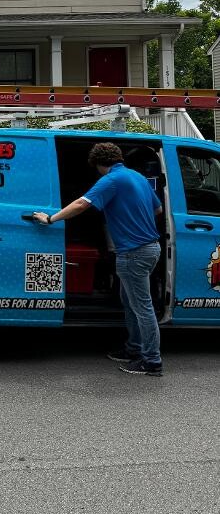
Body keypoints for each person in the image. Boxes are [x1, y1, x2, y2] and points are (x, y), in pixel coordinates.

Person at [33, 141, 164, 377]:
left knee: (142, 307)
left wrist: (51, 219)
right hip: (150, 249)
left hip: (133, 253)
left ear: (98, 164)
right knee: (130, 303)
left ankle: (152, 361)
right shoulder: (137, 177)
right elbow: (158, 210)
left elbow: (81, 204)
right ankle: (133, 349)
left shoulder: (110, 180)